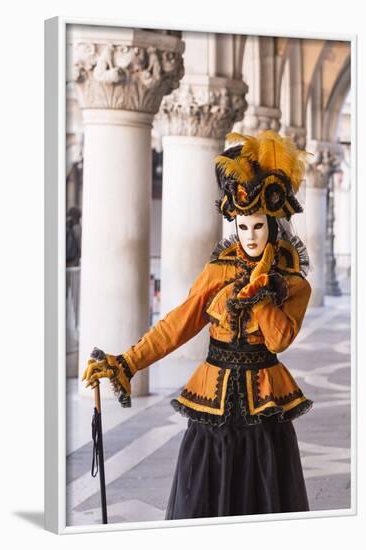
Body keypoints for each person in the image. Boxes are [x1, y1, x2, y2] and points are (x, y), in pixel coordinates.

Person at [82, 130, 313, 519]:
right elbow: (179, 323)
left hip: (265, 405)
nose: (250, 235)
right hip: (213, 401)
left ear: (272, 224)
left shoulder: (292, 284)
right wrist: (127, 362)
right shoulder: (217, 272)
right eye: (242, 226)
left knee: (265, 500)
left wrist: (259, 296)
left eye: (258, 226)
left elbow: (279, 339)